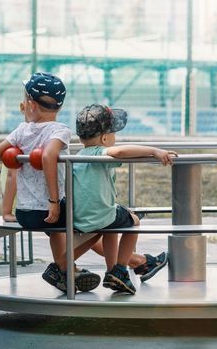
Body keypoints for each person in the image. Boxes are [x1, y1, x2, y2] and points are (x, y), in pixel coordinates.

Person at [0, 72, 103, 293]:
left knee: (57, 231)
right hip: (51, 209)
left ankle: (67, 272)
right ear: (59, 107)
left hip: (25, 213)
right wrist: (54, 201)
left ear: (30, 105)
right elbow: (47, 156)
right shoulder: (59, 130)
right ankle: (61, 265)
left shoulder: (20, 130)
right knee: (100, 225)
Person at [73, 104, 177, 294]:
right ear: (105, 138)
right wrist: (154, 151)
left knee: (112, 224)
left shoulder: (78, 156)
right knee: (133, 221)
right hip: (98, 215)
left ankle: (112, 271)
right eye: (113, 134)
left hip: (81, 215)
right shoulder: (100, 153)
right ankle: (120, 269)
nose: (115, 138)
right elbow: (119, 152)